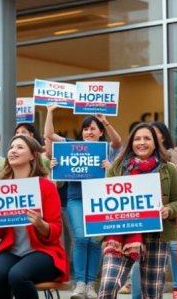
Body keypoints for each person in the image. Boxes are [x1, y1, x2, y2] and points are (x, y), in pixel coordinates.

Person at [98, 123, 177, 299]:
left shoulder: (168, 169)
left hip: (156, 234)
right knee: (108, 284)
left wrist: (168, 209)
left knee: (152, 292)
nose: (142, 142)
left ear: (155, 143)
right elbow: (104, 200)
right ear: (131, 142)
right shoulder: (116, 168)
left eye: (147, 138)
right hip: (122, 233)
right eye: (137, 138)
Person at [45, 105, 121, 299]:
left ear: (100, 132)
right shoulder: (71, 146)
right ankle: (79, 284)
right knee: (81, 238)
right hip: (76, 199)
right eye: (86, 128)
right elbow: (50, 134)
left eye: (93, 128)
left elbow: (117, 141)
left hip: (99, 200)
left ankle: (90, 285)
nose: (88, 132)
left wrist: (109, 168)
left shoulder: (106, 150)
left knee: (95, 241)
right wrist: (50, 112)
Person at [0, 135, 69, 299]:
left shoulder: (46, 186)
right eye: (11, 147)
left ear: (32, 155)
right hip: (11, 251)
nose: (13, 151)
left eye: (19, 147)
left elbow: (56, 231)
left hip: (44, 251)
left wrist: (40, 224)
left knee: (17, 276)